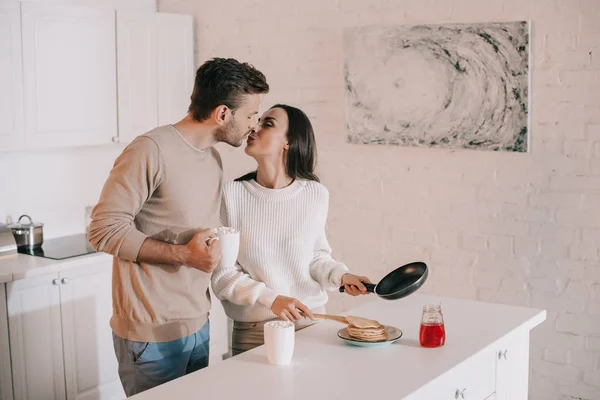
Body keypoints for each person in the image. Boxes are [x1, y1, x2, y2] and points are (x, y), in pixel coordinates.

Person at [87, 58, 269, 396]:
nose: (254, 125)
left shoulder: (213, 160)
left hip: (198, 326)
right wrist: (183, 255)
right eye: (250, 116)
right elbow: (103, 229)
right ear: (222, 114)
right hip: (150, 336)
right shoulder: (150, 149)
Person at [211, 104, 372, 356]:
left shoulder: (315, 194)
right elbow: (223, 275)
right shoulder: (231, 196)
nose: (255, 127)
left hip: (311, 323)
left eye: (268, 123)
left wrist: (342, 276)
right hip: (254, 331)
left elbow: (316, 257)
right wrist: (271, 299)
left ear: (289, 142)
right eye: (258, 120)